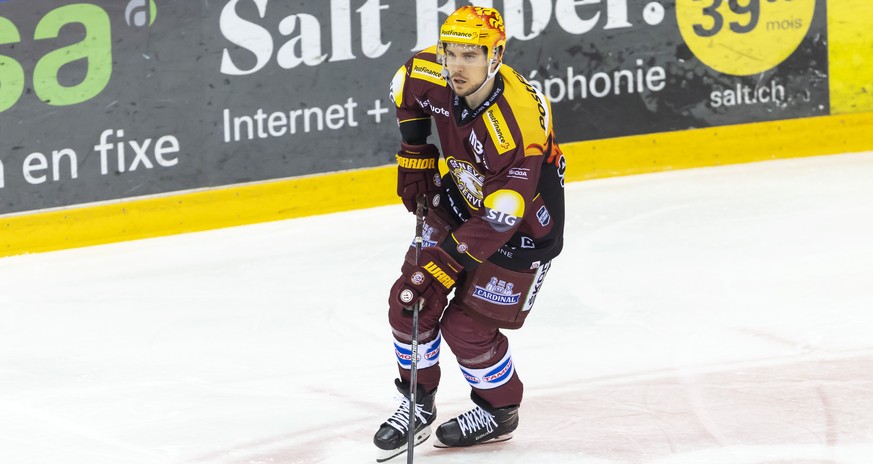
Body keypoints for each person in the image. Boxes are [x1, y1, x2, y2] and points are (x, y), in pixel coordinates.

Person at [373, 6, 566, 461]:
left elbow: (502, 216)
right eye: (450, 52)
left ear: (495, 56)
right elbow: (406, 92)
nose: (456, 66)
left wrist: (443, 265)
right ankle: (417, 403)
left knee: (466, 327)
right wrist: (415, 155)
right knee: (410, 300)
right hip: (461, 197)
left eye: (470, 56)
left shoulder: (517, 126)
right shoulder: (428, 72)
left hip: (522, 228)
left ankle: (498, 412)